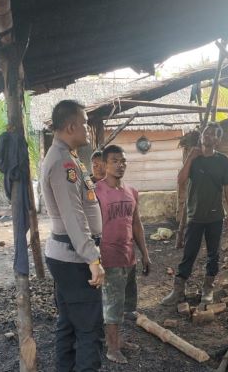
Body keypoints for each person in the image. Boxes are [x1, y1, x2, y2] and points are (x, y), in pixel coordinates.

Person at [41, 100, 106, 372]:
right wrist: (92, 257)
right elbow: (73, 216)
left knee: (68, 323)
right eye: (85, 123)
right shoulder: (63, 162)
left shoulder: (66, 156)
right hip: (74, 256)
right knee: (90, 330)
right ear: (70, 126)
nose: (88, 129)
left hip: (68, 254)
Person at [162, 122, 228, 306]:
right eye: (206, 132)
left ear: (218, 140)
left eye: (212, 134)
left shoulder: (223, 161)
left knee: (213, 254)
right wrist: (190, 158)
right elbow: (180, 181)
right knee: (189, 253)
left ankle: (208, 289)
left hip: (215, 216)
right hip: (194, 215)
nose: (207, 136)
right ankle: (178, 290)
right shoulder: (193, 159)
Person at [95, 144, 151, 364]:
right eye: (115, 161)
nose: (120, 165)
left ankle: (120, 340)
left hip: (129, 257)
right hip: (108, 258)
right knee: (112, 305)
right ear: (104, 164)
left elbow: (136, 224)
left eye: (123, 161)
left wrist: (145, 254)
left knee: (126, 304)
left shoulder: (131, 192)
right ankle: (112, 348)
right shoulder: (96, 191)